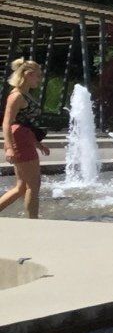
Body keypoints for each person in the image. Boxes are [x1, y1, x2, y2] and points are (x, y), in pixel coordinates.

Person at [0, 58, 52, 219]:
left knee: (21, 187)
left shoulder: (24, 94)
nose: (39, 79)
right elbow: (7, 123)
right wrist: (8, 147)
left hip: (25, 139)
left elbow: (25, 122)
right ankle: (33, 222)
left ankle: (32, 220)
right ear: (28, 75)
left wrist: (37, 143)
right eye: (38, 76)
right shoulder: (16, 96)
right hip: (20, 140)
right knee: (33, 185)